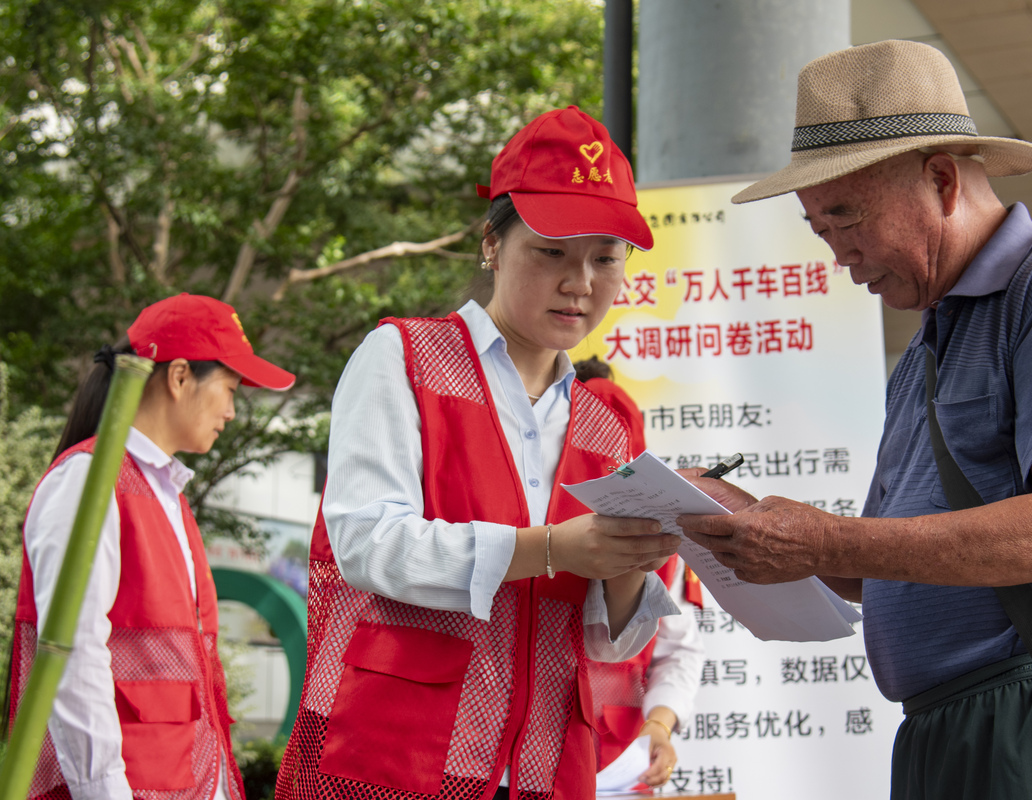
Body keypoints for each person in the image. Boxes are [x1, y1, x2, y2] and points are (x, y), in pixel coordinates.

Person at [677, 40, 1032, 799]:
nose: (839, 254)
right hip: (944, 727)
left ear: (940, 180)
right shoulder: (927, 344)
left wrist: (823, 537)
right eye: (818, 228)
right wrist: (741, 516)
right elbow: (872, 568)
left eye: (846, 215)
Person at [276, 106, 682, 800]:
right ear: (491, 245)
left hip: (541, 766)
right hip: (394, 758)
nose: (580, 281)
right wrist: (553, 546)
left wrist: (628, 562)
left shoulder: (605, 426)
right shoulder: (404, 357)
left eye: (605, 259)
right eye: (551, 251)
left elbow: (609, 645)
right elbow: (367, 541)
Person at [8, 293, 296, 800]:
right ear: (180, 376)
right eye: (229, 389)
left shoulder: (166, 495)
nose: (231, 411)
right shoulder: (87, 481)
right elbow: (74, 656)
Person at [572, 356, 704, 789]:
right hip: (521, 756)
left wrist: (659, 727)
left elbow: (677, 649)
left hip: (622, 762)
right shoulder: (527, 521)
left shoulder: (661, 531)